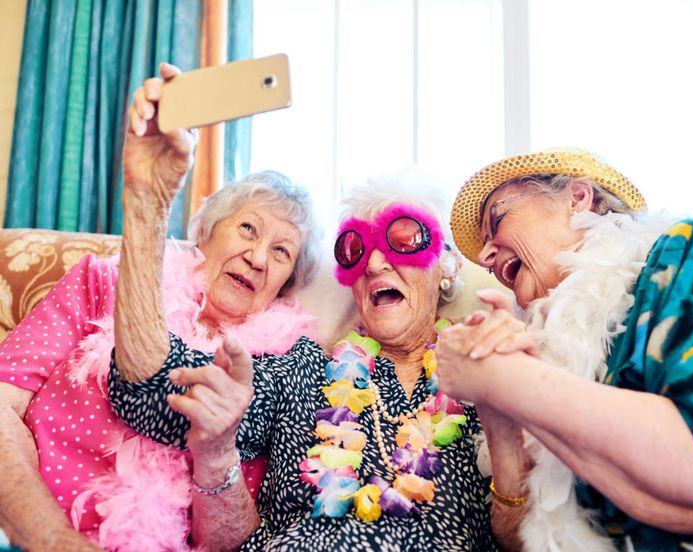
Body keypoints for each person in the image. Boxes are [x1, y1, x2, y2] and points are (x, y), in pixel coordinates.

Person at [0, 63, 321, 552]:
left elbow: (231, 541)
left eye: (282, 252)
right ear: (206, 233)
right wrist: (54, 540)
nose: (258, 258)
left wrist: (218, 451)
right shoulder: (99, 280)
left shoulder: (276, 372)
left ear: (285, 285)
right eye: (248, 229)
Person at [105, 166, 505, 550]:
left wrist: (506, 414)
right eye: (356, 247)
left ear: (447, 264)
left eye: (402, 239)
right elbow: (151, 389)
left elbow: (532, 533)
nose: (375, 263)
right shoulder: (304, 369)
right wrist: (146, 207)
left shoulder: (488, 374)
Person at [436, 149, 693, 551]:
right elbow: (518, 542)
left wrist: (507, 381)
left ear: (577, 199)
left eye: (497, 220)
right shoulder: (538, 356)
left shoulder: (690, 249)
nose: (487, 258)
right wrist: (500, 422)